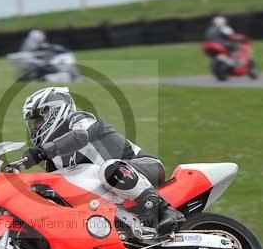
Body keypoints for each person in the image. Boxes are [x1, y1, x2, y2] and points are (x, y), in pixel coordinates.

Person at [20, 86, 185, 236]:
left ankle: (164, 209)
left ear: (54, 112)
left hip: (145, 168)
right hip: (116, 192)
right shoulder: (53, 160)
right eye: (33, 123)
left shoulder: (79, 120)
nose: (35, 127)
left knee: (109, 168)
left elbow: (80, 136)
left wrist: (44, 151)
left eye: (38, 120)